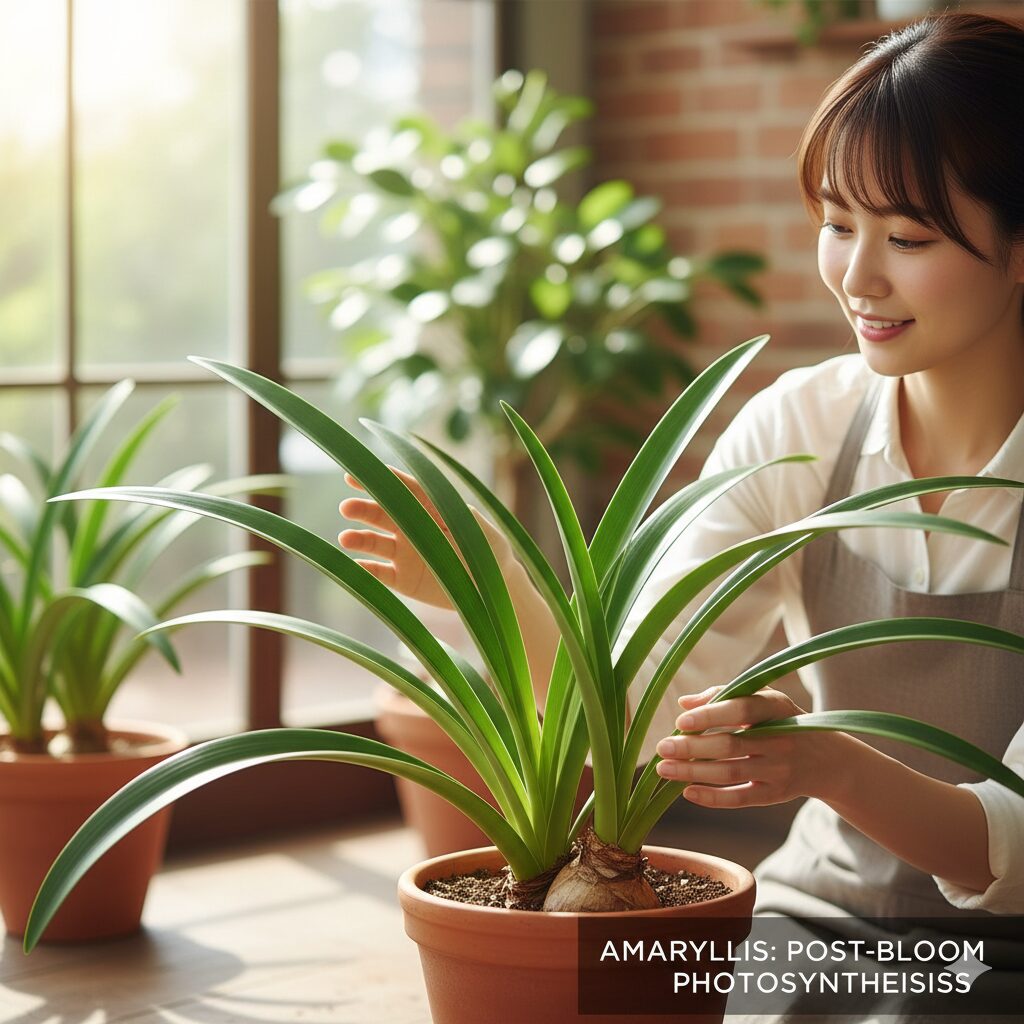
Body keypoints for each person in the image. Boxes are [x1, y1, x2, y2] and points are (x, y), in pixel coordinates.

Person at [339, 11, 1023, 1019]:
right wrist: (503, 594)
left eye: (908, 236)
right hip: (818, 924)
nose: (857, 275)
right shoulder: (800, 424)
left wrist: (825, 756)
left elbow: (1012, 842)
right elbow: (648, 714)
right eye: (837, 223)